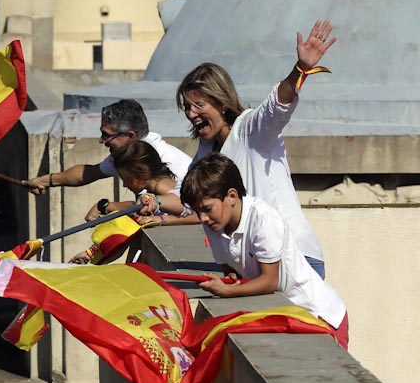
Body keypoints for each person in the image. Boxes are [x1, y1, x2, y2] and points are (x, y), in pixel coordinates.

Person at [176, 19, 335, 277]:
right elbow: (187, 198)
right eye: (187, 107)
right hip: (256, 266)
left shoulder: (250, 130)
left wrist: (300, 69)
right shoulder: (206, 151)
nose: (192, 114)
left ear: (222, 103)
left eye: (199, 105)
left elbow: (277, 105)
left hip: (293, 259)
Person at [180, 154, 348, 348]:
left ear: (232, 196)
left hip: (318, 314)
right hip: (285, 313)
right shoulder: (215, 225)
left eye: (207, 209)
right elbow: (232, 272)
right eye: (197, 212)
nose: (203, 219)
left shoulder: (263, 219)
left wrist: (227, 290)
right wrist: (229, 280)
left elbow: (269, 281)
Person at [26, 99, 192, 196]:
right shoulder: (130, 154)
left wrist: (106, 207)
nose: (101, 141)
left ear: (131, 136)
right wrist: (44, 181)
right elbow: (88, 173)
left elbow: (175, 205)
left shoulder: (153, 161)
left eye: (107, 135)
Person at [86, 140, 198, 226]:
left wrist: (155, 202)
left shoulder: (165, 189)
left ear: (140, 175)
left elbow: (180, 202)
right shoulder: (161, 186)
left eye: (126, 179)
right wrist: (106, 207)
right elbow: (136, 207)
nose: (125, 185)